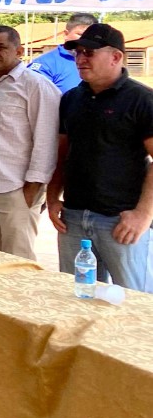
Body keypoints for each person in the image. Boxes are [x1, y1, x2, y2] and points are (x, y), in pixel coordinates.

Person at [48, 23, 153, 292]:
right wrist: (52, 197)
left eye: (89, 53)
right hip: (73, 218)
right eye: (78, 52)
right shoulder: (71, 99)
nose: (80, 59)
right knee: (77, 297)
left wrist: (143, 215)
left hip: (121, 221)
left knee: (133, 301)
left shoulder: (143, 100)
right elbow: (62, 152)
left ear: (116, 57)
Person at [0, 26, 59, 261]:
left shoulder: (35, 85)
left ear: (19, 51)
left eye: (0, 47)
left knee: (18, 264)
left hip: (15, 190)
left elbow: (47, 140)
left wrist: (32, 188)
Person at [29, 13, 99, 94]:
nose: (85, 39)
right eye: (80, 34)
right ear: (66, 34)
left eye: (90, 36)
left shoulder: (102, 61)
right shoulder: (45, 63)